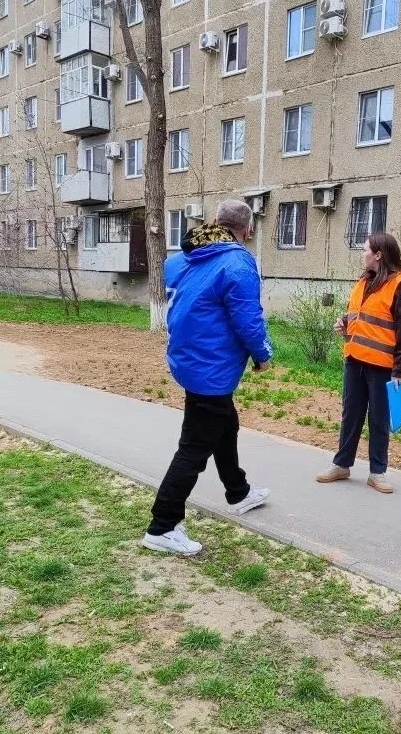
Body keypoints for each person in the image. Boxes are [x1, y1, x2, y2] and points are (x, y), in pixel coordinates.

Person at [141, 200, 274, 556]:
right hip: (211, 367)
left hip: (189, 359)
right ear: (247, 230)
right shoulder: (237, 262)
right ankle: (162, 526)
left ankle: (239, 492)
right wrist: (263, 356)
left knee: (225, 424)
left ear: (215, 221)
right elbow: (248, 319)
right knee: (194, 448)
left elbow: (179, 293)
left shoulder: (188, 255)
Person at [314, 232, 401, 494]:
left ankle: (377, 472)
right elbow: (360, 314)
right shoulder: (364, 281)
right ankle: (342, 464)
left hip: (383, 366)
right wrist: (344, 323)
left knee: (379, 419)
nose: (362, 254)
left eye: (365, 250)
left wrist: (400, 369)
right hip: (355, 359)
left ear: (378, 255)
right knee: (351, 413)